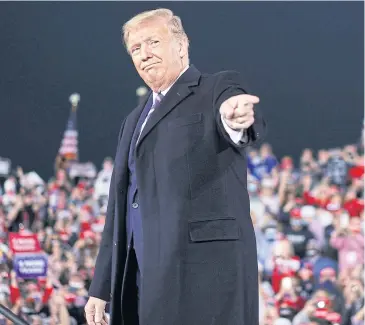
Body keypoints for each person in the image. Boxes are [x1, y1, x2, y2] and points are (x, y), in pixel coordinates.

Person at [85, 8, 266, 325]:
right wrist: (101, 287)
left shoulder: (214, 88)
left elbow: (235, 113)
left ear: (181, 45)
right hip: (143, 280)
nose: (144, 54)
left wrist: (233, 118)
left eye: (153, 41)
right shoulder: (133, 121)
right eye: (136, 49)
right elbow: (121, 207)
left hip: (204, 277)